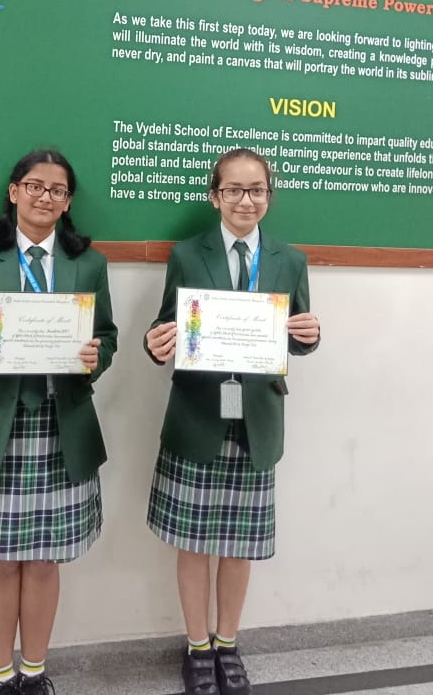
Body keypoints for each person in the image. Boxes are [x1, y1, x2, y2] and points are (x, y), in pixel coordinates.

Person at [144, 148, 320, 695]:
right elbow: (167, 326)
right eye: (234, 190)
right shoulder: (186, 254)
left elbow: (295, 335)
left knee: (240, 545)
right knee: (194, 542)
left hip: (256, 421)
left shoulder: (290, 260)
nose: (247, 201)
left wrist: (309, 337)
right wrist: (155, 344)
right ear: (214, 196)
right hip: (198, 414)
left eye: (257, 190)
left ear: (269, 195)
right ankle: (197, 647)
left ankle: (227, 644)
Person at [0, 149, 117, 695]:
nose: (46, 197)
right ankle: (0, 677)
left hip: (63, 427)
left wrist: (96, 357)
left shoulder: (89, 265)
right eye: (35, 186)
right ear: (14, 192)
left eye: (57, 190)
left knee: (44, 562)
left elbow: (107, 337)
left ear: (67, 203)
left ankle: (35, 674)